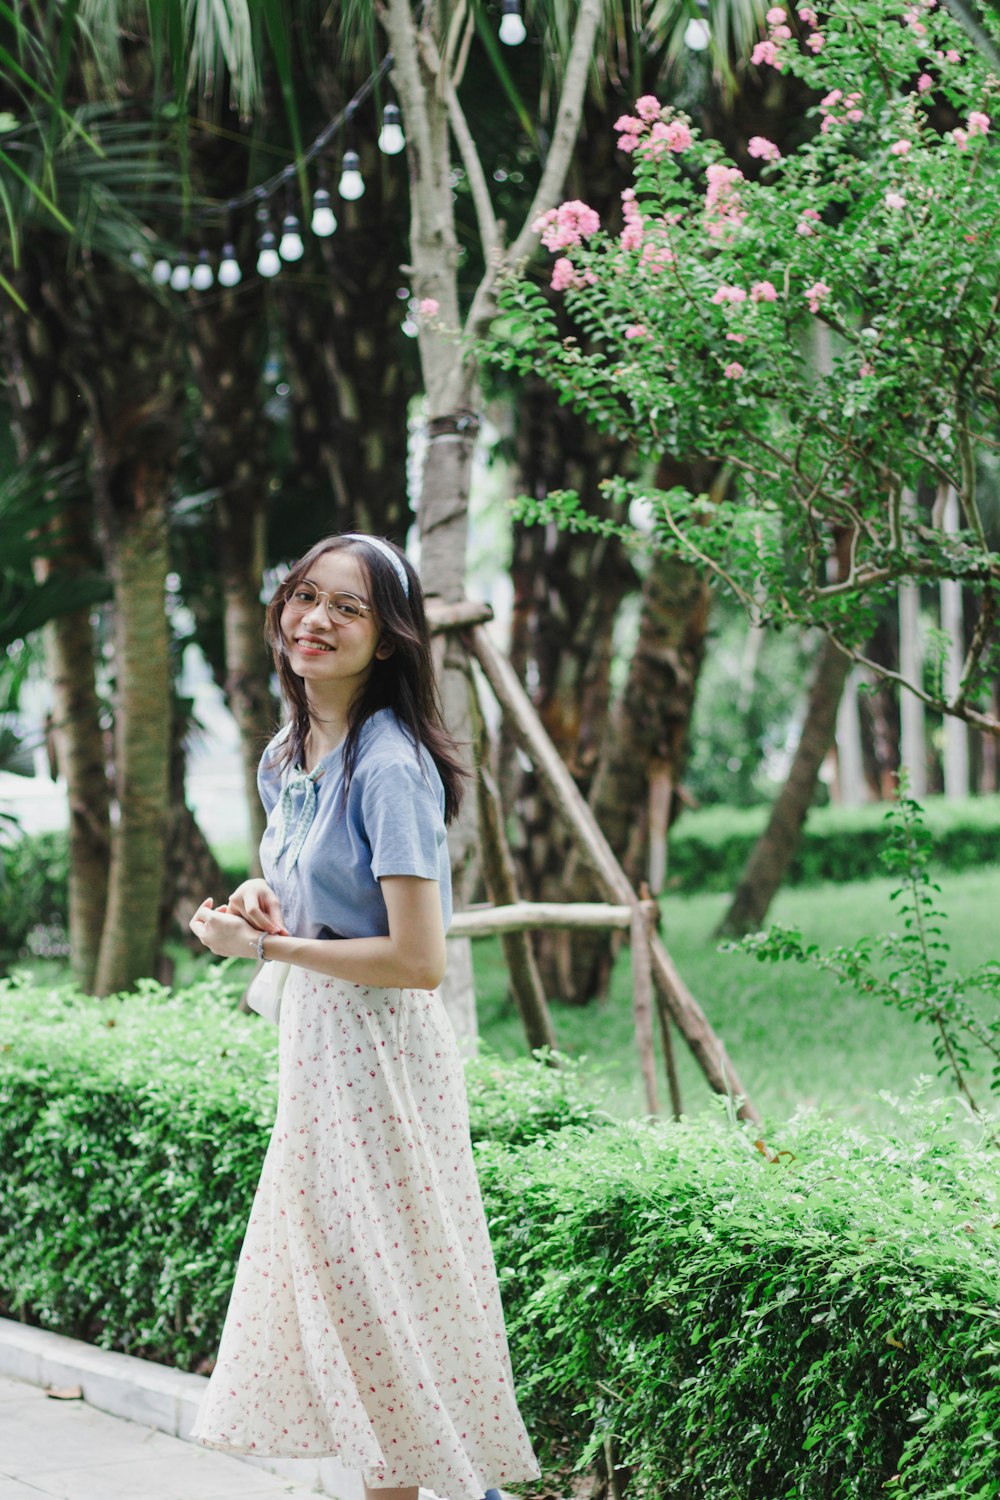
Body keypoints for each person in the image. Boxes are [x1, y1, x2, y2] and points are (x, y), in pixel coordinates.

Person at [187, 532, 540, 1500]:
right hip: (318, 1047)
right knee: (348, 1295)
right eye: (306, 597)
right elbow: (317, 888)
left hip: (380, 1057)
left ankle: (463, 1488)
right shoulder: (286, 754)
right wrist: (262, 898)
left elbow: (418, 959)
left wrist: (263, 949)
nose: (317, 621)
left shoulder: (387, 765)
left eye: (348, 608)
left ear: (388, 639)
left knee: (381, 1294)